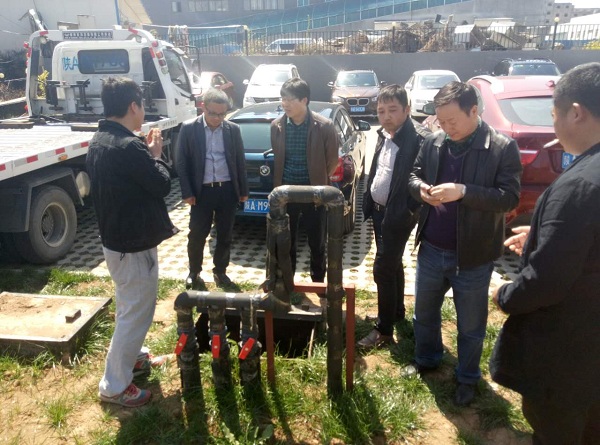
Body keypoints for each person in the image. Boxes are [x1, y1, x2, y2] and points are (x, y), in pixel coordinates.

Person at [490, 62, 600, 444]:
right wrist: (540, 236)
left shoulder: (579, 185)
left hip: (569, 356)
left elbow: (546, 282)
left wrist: (505, 295)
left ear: (575, 112)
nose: (553, 127)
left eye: (553, 115)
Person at [406, 81, 522, 407]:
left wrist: (463, 192)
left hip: (473, 255)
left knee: (471, 326)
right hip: (431, 248)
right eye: (441, 121)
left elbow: (509, 198)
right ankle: (427, 359)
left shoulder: (501, 147)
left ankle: (467, 377)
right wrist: (421, 190)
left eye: (452, 120)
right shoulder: (434, 141)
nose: (446, 127)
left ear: (474, 110)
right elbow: (413, 175)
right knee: (424, 314)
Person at [87, 77, 178, 407]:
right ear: (132, 106)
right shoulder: (128, 147)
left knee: (130, 306)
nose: (143, 113)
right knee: (135, 312)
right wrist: (156, 154)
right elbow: (161, 185)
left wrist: (146, 155)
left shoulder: (100, 139)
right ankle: (114, 386)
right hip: (132, 244)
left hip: (116, 241)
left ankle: (135, 359)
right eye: (142, 106)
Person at [356, 84, 429, 351]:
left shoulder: (419, 139)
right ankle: (395, 312)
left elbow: (422, 179)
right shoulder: (384, 133)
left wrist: (408, 208)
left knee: (382, 269)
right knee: (392, 262)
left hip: (398, 214)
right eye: (381, 111)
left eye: (392, 110)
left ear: (407, 110)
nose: (386, 116)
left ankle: (384, 330)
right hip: (380, 211)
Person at [176, 88, 248, 289]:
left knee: (225, 235)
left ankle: (220, 271)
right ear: (203, 107)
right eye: (213, 113)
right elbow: (181, 162)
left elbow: (239, 161)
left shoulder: (232, 130)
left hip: (227, 190)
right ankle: (194, 272)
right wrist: (187, 192)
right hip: (202, 192)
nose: (217, 118)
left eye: (222, 114)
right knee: (197, 234)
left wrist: (243, 190)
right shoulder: (189, 129)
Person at [270, 78, 339, 283]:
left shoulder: (324, 126)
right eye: (283, 99)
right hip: (285, 195)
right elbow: (278, 157)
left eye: (290, 99)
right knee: (285, 242)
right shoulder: (277, 126)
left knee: (317, 242)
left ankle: (318, 282)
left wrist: (319, 179)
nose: (285, 104)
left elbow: (332, 162)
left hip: (315, 195)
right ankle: (287, 283)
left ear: (304, 100)